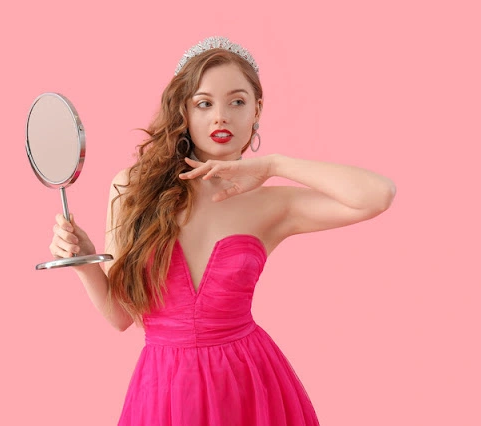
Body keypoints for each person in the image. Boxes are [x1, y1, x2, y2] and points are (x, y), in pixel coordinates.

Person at [49, 36, 396, 425]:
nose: (221, 117)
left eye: (237, 101)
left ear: (256, 110)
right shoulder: (132, 188)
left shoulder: (271, 204)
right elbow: (119, 316)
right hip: (165, 390)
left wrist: (273, 165)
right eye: (204, 103)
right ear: (184, 110)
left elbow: (377, 195)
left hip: (248, 385)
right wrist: (84, 263)